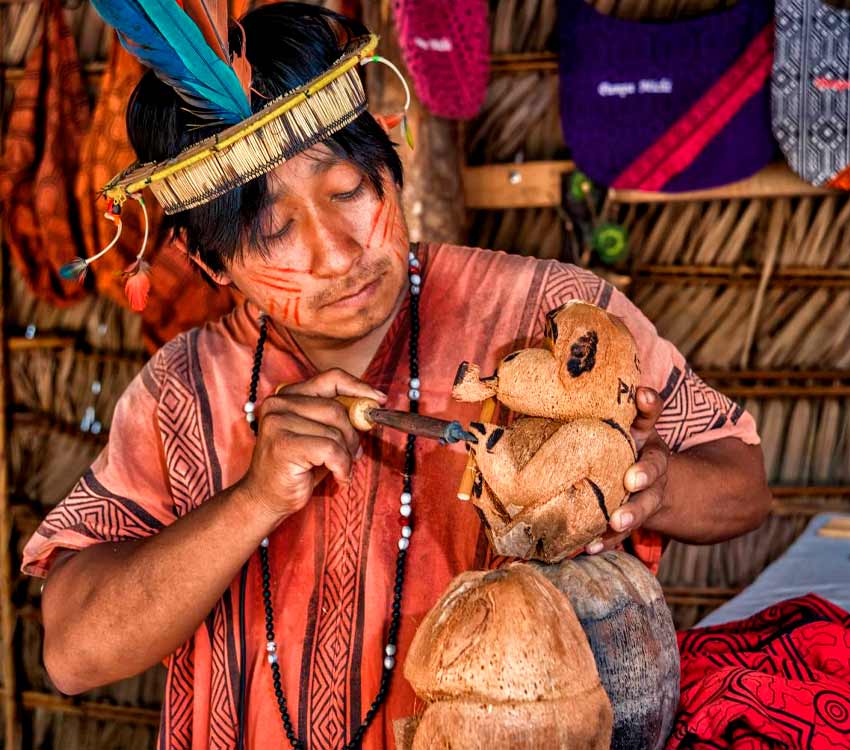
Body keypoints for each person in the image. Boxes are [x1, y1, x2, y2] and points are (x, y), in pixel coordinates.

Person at [22, 4, 772, 749]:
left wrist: (652, 485)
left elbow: (743, 484)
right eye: (275, 233)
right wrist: (250, 503)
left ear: (389, 161)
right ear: (214, 266)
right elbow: (74, 655)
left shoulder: (549, 313)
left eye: (349, 191)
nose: (337, 252)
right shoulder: (181, 390)